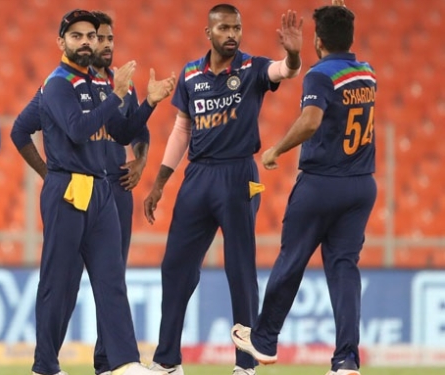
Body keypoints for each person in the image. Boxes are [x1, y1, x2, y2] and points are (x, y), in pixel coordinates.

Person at [142, 4, 303, 375]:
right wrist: (161, 183)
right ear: (208, 33)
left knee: (240, 270)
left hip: (238, 174)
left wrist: (293, 54)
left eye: (237, 28)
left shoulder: (252, 67)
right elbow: (182, 130)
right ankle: (167, 361)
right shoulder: (190, 74)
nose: (232, 34)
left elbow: (286, 71)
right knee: (174, 267)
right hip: (197, 177)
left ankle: (245, 365)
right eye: (225, 28)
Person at [231, 3, 375, 375]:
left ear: (318, 40)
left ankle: (264, 340)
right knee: (345, 269)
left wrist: (277, 149)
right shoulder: (366, 73)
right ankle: (346, 360)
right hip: (361, 185)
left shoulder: (320, 75)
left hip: (322, 183)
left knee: (291, 260)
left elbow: (311, 121)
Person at [31, 9, 174, 375]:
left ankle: (123, 362)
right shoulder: (57, 83)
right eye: (76, 36)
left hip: (101, 189)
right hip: (68, 190)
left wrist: (149, 103)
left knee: (111, 279)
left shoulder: (98, 86)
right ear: (61, 42)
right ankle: (44, 366)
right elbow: (78, 130)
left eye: (91, 36)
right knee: (58, 283)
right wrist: (118, 95)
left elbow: (123, 133)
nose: (86, 42)